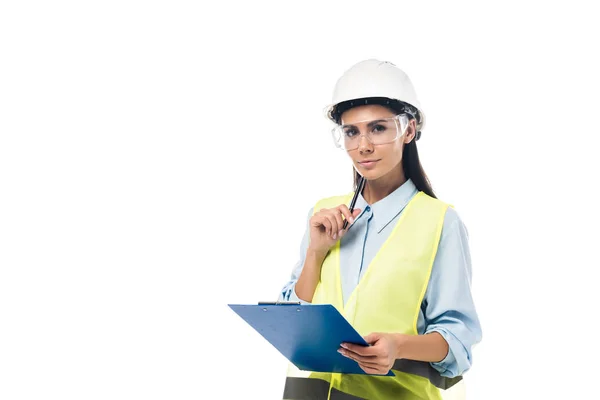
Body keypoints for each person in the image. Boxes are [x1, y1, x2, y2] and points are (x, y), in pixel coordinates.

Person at [277, 59, 482, 400]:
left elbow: (458, 340)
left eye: (378, 129)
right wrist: (316, 253)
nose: (363, 146)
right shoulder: (324, 214)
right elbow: (290, 318)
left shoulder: (439, 221)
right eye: (351, 132)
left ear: (409, 130)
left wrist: (397, 346)